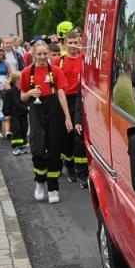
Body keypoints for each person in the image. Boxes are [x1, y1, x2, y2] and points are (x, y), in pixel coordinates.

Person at [20, 39, 64, 203]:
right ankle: (39, 182)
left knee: (53, 150)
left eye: (45, 53)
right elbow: (23, 97)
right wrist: (30, 93)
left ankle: (53, 188)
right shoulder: (26, 73)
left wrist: (67, 116)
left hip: (53, 111)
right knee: (38, 149)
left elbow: (61, 94)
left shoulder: (56, 71)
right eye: (39, 54)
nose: (42, 56)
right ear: (33, 54)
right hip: (36, 113)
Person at [54, 28, 87, 183]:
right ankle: (69, 165)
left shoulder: (85, 59)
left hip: (81, 100)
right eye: (70, 43)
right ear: (65, 44)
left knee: (79, 135)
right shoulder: (58, 61)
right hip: (64, 100)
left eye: (76, 43)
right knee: (67, 135)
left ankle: (82, 171)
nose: (73, 46)